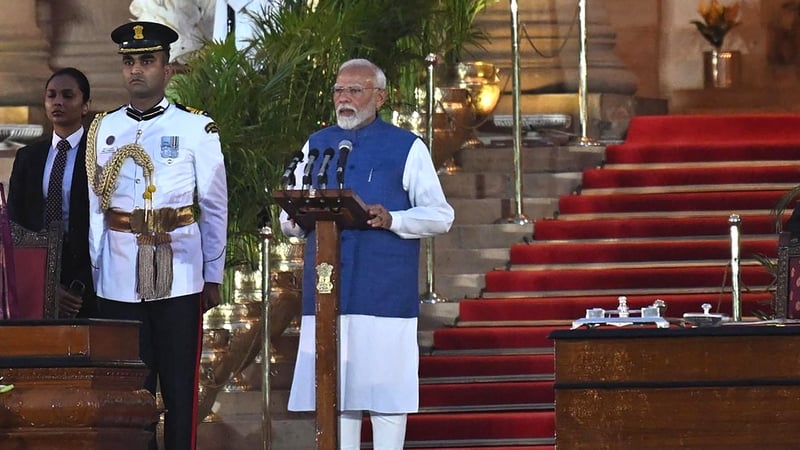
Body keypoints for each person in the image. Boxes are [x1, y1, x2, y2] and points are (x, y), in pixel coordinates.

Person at [280, 58, 454, 450]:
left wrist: (394, 218)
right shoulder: (317, 145)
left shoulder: (406, 147)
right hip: (328, 291)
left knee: (386, 395)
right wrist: (294, 220)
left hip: (383, 294)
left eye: (354, 90)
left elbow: (441, 216)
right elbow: (288, 219)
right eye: (338, 91)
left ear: (380, 97)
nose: (344, 98)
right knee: (337, 393)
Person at [86, 21, 228, 450]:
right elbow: (96, 207)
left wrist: (212, 273)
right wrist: (96, 269)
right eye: (129, 61)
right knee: (130, 386)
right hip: (118, 274)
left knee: (179, 383)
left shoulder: (195, 128)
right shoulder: (104, 127)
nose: (136, 69)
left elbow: (215, 206)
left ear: (167, 70)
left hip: (177, 271)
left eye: (147, 60)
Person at [7, 67, 97, 318]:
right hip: (36, 270)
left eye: (68, 95)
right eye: (51, 95)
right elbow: (15, 224)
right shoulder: (28, 157)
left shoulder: (99, 154)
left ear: (85, 105)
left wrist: (80, 285)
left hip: (86, 277)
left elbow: (104, 225)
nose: (58, 101)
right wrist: (43, 284)